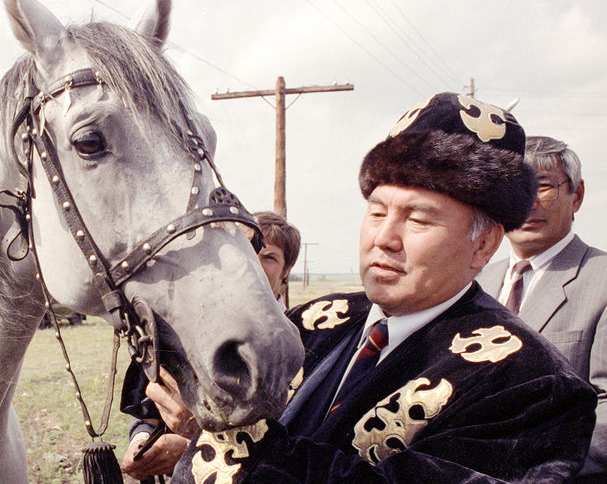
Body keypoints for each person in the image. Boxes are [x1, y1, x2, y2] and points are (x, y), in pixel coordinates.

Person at [148, 93, 597, 483]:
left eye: (418, 218)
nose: (384, 238)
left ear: (483, 244)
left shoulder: (533, 385)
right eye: (377, 212)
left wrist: (225, 435)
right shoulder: (313, 320)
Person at [120, 212, 301, 481]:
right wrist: (142, 440)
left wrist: (191, 446)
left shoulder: (302, 341)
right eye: (248, 251)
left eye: (270, 257)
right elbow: (153, 406)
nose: (255, 263)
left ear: (286, 270)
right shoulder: (194, 330)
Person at [477, 136, 607, 482]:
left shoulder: (602, 281)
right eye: (515, 189)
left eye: (544, 186)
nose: (528, 204)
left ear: (576, 195)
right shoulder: (474, 279)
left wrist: (528, 467)